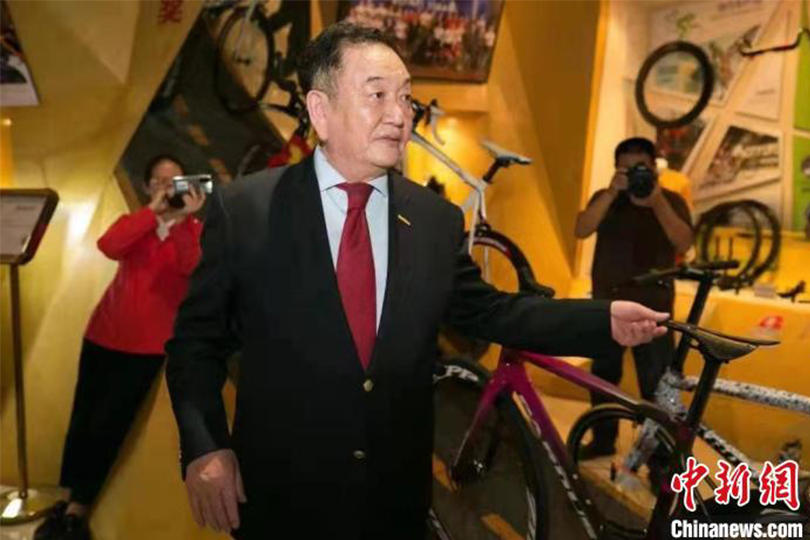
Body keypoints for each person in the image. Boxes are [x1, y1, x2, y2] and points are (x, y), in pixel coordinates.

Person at [165, 23, 669, 540]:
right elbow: (195, 344)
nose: (400, 114)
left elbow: (490, 311)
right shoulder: (247, 211)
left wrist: (603, 319)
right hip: (282, 503)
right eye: (377, 95)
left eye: (405, 97)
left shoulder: (433, 220)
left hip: (394, 506)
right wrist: (205, 446)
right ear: (320, 111)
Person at [34, 155, 205, 540]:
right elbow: (109, 245)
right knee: (83, 419)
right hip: (102, 334)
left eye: (175, 182)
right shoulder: (137, 223)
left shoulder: (195, 231)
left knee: (109, 426)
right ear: (147, 187)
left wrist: (183, 221)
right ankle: (66, 497)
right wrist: (151, 213)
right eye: (159, 182)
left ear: (189, 186)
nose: (167, 189)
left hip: (146, 348)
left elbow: (192, 267)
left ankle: (79, 509)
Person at [574, 137, 693, 458]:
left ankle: (659, 461)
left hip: (653, 312)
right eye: (626, 169)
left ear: (654, 168)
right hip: (607, 307)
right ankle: (602, 441)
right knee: (603, 380)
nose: (635, 175)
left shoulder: (670, 201)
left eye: (640, 168)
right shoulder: (607, 198)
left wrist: (657, 201)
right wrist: (612, 192)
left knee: (657, 388)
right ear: (616, 170)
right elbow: (581, 229)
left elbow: (684, 243)